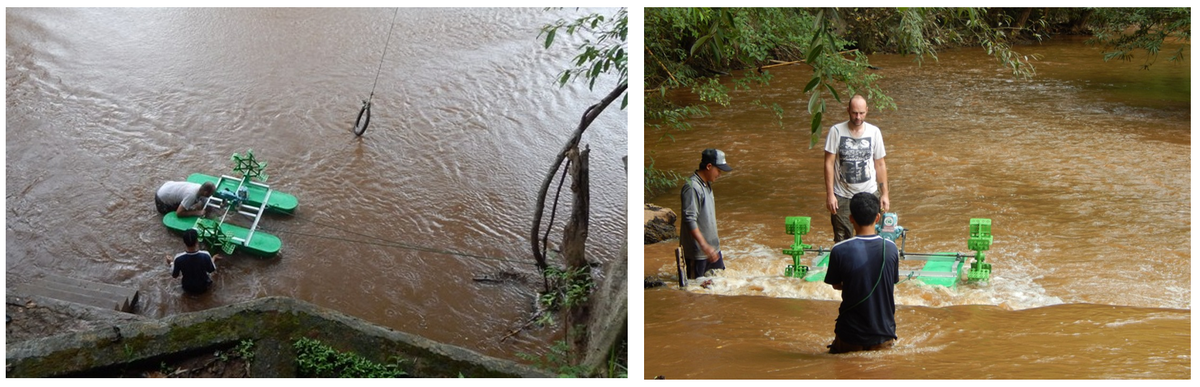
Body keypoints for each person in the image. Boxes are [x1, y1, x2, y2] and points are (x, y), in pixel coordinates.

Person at [824, 192, 900, 354]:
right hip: (883, 334)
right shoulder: (891, 248)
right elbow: (891, 282)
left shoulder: (839, 250)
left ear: (851, 219)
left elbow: (836, 285)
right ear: (878, 218)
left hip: (849, 336)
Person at [824, 94, 889, 243]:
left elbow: (880, 164)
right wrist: (830, 194)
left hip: (869, 193)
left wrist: (884, 194)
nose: (858, 117)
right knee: (842, 240)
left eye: (861, 113)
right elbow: (828, 163)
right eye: (854, 113)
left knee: (870, 238)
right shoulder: (836, 131)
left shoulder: (874, 132)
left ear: (867, 110)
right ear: (848, 110)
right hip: (842, 195)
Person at [680, 148, 732, 279]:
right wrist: (704, 245)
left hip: (713, 250)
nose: (719, 174)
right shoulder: (692, 187)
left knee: (719, 287)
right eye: (718, 170)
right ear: (709, 166)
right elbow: (689, 219)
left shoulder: (707, 184)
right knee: (696, 293)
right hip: (698, 253)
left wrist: (711, 247)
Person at [167, 229, 218, 294]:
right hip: (204, 287)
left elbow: (175, 275)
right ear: (197, 241)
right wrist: (213, 258)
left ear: (184, 242)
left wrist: (171, 263)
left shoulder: (178, 258)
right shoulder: (205, 255)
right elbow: (211, 270)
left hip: (187, 288)